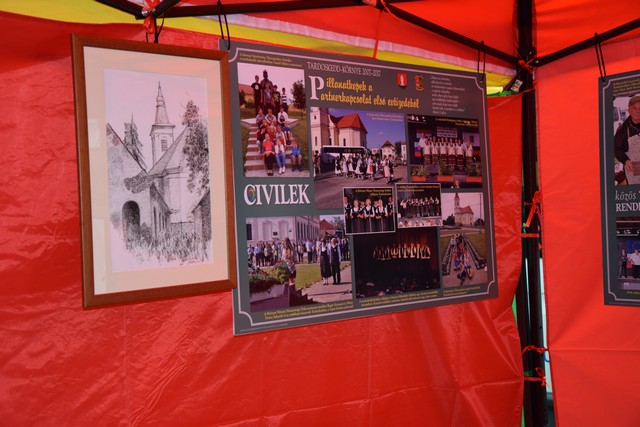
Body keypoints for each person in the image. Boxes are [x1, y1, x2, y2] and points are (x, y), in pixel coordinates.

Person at [614, 95, 640, 185]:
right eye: (634, 108)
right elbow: (617, 149)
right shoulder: (622, 130)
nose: (638, 111)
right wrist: (625, 160)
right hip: (634, 168)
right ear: (629, 110)